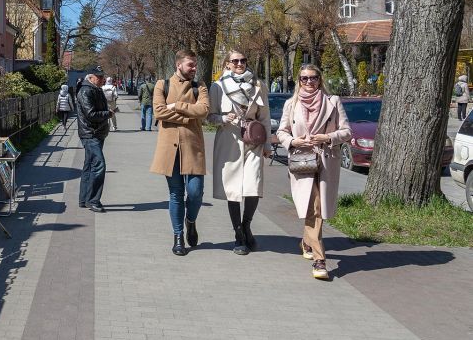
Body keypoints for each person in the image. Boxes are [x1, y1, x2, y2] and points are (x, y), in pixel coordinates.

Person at [276, 63, 352, 280]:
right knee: (312, 208)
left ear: (320, 79)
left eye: (313, 78)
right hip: (302, 160)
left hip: (326, 161)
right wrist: (293, 141)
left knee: (319, 208)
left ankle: (307, 241)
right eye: (304, 78)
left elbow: (347, 131)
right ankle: (320, 260)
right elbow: (282, 131)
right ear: (298, 81)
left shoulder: (333, 102)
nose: (309, 82)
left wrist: (328, 137)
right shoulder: (291, 104)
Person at [209, 50, 272, 255]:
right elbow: (209, 116)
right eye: (234, 61)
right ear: (227, 64)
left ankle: (247, 225)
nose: (239, 64)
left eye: (243, 60)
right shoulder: (218, 86)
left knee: (253, 185)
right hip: (230, 141)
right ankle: (238, 234)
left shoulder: (257, 85)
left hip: (253, 140)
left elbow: (265, 116)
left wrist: (268, 144)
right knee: (233, 188)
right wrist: (222, 119)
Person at [150, 50, 209, 256]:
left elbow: (203, 110)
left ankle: (190, 220)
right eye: (190, 65)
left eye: (195, 65)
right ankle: (178, 236)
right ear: (178, 65)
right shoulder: (162, 84)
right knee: (176, 194)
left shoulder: (199, 86)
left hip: (193, 148)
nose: (194, 69)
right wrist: (187, 116)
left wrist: (177, 106)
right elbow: (159, 112)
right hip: (169, 149)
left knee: (195, 193)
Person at [77, 72, 115, 212]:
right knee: (99, 165)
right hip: (90, 133)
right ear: (91, 78)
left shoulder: (95, 89)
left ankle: (84, 199)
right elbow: (91, 114)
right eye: (99, 77)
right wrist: (108, 114)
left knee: (89, 166)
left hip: (96, 133)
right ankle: (93, 200)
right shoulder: (86, 91)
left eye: (103, 77)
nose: (102, 79)